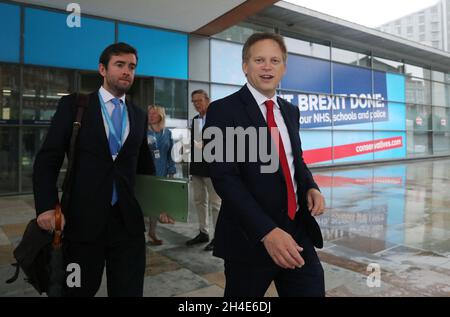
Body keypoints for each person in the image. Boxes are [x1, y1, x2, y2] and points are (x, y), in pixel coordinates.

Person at [33, 42, 164, 297]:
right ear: (102, 69)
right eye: (120, 65)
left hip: (127, 225)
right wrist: (47, 206)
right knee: (76, 292)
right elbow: (48, 159)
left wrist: (161, 204)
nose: (127, 71)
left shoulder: (138, 115)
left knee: (129, 291)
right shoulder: (75, 106)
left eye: (132, 66)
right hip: (81, 222)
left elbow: (144, 168)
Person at [203, 32, 326, 297]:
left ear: (284, 67)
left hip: (297, 232)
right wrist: (267, 231)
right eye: (259, 60)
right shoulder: (222, 111)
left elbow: (296, 160)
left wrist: (311, 187)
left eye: (275, 60)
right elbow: (224, 177)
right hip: (249, 239)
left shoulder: (291, 111)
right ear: (245, 66)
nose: (267, 66)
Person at [185, 90, 221, 251]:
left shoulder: (218, 118)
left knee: (216, 204)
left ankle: (219, 237)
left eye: (199, 101)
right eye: (194, 102)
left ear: (207, 100)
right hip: (198, 168)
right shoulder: (195, 120)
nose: (196, 104)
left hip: (213, 168)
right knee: (199, 201)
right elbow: (196, 145)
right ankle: (203, 232)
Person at [146, 105, 176, 245]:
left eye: (154, 114)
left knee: (157, 202)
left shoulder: (168, 133)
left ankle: (152, 232)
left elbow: (171, 154)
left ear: (161, 116)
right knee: (145, 202)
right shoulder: (143, 132)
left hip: (162, 171)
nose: (151, 116)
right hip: (147, 172)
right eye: (149, 114)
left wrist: (172, 171)